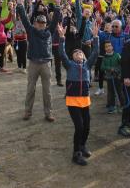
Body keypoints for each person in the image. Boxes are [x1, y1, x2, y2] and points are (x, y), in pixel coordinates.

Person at [57, 22, 99, 166]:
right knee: (79, 126)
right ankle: (76, 153)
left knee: (87, 126)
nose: (79, 54)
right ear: (73, 57)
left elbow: (95, 53)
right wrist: (62, 37)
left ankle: (82, 145)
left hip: (85, 99)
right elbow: (61, 54)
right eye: (76, 53)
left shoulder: (87, 65)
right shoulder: (69, 65)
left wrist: (95, 37)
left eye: (80, 52)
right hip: (73, 100)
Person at [16, 0, 61, 122]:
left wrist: (57, 6)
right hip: (33, 64)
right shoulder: (31, 31)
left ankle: (49, 113)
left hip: (46, 64)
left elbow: (56, 19)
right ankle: (27, 112)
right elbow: (24, 19)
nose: (41, 25)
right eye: (39, 22)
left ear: (46, 24)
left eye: (43, 23)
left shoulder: (49, 32)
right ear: (35, 23)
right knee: (31, 89)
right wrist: (20, 5)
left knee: (47, 91)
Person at [100, 41, 124, 114]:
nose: (108, 48)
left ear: (112, 47)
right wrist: (109, 68)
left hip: (117, 76)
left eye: (109, 46)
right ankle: (111, 106)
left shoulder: (117, 55)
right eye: (106, 46)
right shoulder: (104, 58)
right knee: (110, 92)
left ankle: (123, 105)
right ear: (104, 49)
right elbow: (102, 67)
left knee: (120, 91)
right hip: (109, 77)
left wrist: (117, 70)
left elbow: (121, 64)